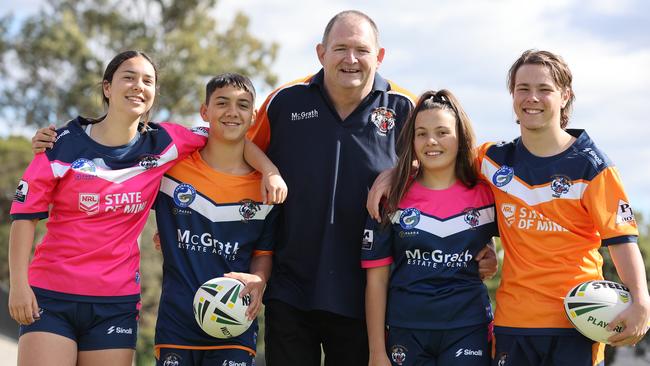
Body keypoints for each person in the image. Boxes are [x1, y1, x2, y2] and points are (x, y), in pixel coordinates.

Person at [244, 10, 497, 366]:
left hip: (366, 294)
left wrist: (478, 241)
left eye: (361, 50)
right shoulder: (284, 102)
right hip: (290, 288)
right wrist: (268, 169)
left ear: (379, 57)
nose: (351, 59)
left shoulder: (406, 107)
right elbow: (238, 151)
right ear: (321, 53)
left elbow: (448, 169)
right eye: (340, 48)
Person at [367, 50, 649, 366]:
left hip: (574, 323)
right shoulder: (493, 161)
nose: (532, 98)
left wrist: (641, 300)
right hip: (513, 322)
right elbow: (441, 155)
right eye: (522, 88)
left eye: (544, 89)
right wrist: (397, 172)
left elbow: (622, 242)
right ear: (512, 95)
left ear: (565, 95)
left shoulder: (593, 167)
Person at [10, 51, 284, 366]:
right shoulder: (61, 144)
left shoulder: (165, 143)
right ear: (107, 87)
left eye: (148, 81)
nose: (138, 86)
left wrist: (269, 171)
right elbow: (24, 216)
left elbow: (229, 135)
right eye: (128, 76)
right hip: (52, 295)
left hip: (116, 302)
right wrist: (18, 285)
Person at [153, 73, 280, 366]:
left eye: (242, 105)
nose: (232, 112)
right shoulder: (172, 169)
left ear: (253, 115)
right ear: (204, 111)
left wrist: (259, 279)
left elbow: (264, 252)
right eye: (222, 103)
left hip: (236, 326)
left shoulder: (265, 188)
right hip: (177, 324)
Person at [363, 90, 497, 366]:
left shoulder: (487, 193)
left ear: (460, 138)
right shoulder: (390, 197)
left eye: (442, 132)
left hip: (468, 328)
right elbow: (376, 280)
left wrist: (491, 251)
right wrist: (377, 352)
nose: (431, 141)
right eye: (421, 133)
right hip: (406, 330)